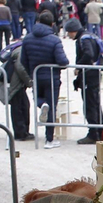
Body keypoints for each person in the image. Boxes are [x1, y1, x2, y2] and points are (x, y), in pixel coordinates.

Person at [21, 9, 68, 148]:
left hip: (36, 75)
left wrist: (31, 71)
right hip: (52, 77)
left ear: (38, 21)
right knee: (52, 107)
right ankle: (49, 139)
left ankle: (42, 105)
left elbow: (23, 60)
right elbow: (63, 61)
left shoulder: (28, 38)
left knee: (38, 98)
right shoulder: (54, 40)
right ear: (52, 24)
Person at [68, 19, 103, 144]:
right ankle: (101, 131)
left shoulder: (83, 39)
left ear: (73, 31)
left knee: (90, 104)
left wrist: (78, 67)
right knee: (95, 103)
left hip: (89, 75)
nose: (68, 36)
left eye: (69, 33)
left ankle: (94, 133)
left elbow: (88, 54)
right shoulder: (90, 35)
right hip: (94, 73)